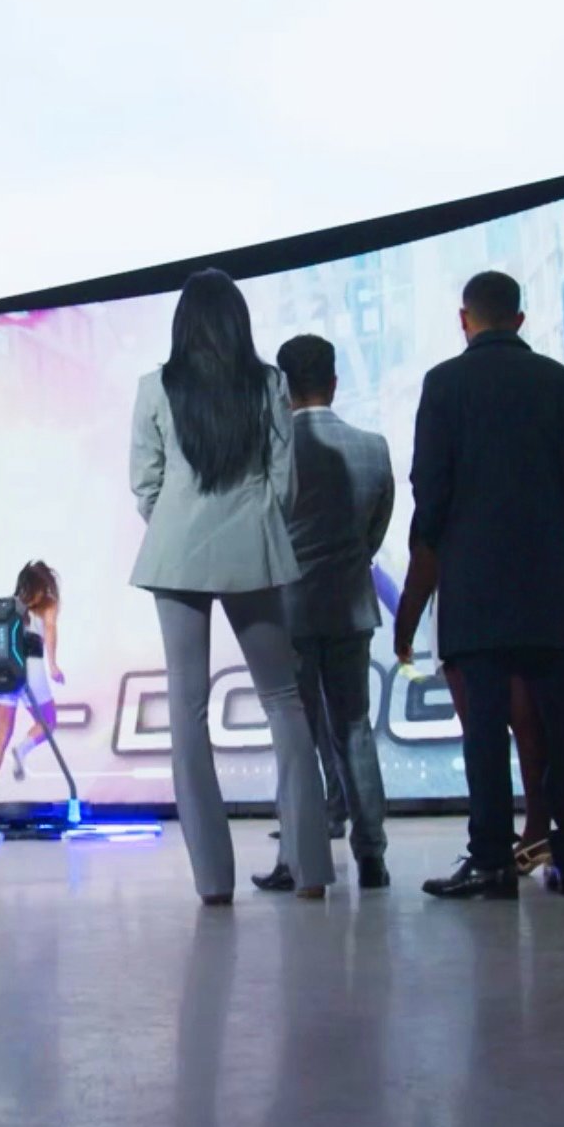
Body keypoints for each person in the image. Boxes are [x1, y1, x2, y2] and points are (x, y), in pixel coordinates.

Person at [130, 268, 334, 905]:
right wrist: (255, 526)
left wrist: (179, 524)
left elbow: (145, 484)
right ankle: (311, 870)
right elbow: (285, 481)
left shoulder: (155, 387)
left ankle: (213, 883)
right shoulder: (269, 383)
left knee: (187, 715)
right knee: (284, 701)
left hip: (175, 555)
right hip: (253, 550)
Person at [406, 270, 564, 899]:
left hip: (475, 585)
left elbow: (429, 487)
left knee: (485, 732)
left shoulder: (443, 384)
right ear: (520, 319)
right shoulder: (562, 384)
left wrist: (443, 543)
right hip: (553, 581)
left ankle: (491, 860)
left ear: (465, 319)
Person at [254, 333, 394, 893]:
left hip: (288, 612)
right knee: (355, 728)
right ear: (334, 382)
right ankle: (372, 856)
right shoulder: (373, 447)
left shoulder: (271, 454)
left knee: (295, 735)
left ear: (282, 388)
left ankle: (296, 857)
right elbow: (373, 534)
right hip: (350, 607)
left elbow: (262, 532)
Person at [392, 536, 557, 874]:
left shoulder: (450, 500)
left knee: (484, 731)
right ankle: (535, 831)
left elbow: (427, 548)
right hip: (520, 597)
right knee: (526, 725)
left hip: (465, 607)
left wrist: (406, 622)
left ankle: (495, 848)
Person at [0, 561, 65, 807]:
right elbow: (50, 630)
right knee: (48, 721)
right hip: (31, 668)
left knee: (0, 735)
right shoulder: (48, 604)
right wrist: (53, 665)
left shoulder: (6, 606)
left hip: (1, 670)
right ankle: (23, 749)